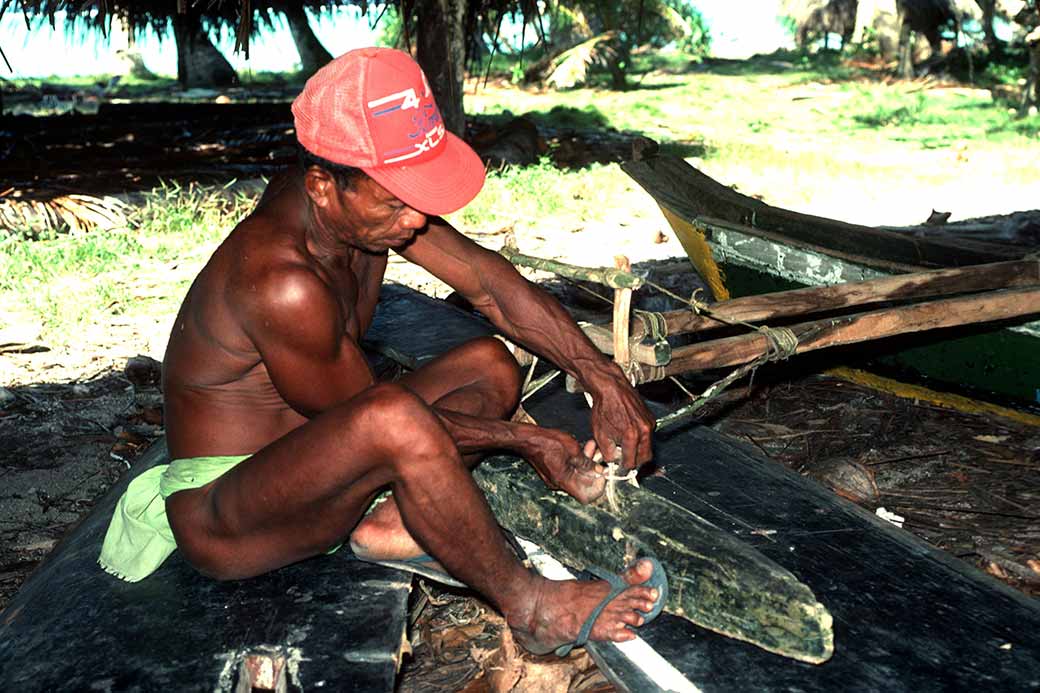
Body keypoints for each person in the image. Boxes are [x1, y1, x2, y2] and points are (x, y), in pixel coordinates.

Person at [99, 47, 660, 656]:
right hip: (232, 510)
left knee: (488, 361)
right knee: (393, 418)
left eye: (415, 193)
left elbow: (490, 285)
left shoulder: (351, 210)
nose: (416, 218)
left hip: (325, 463)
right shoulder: (282, 280)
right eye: (395, 200)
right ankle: (530, 607)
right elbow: (375, 417)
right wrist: (531, 442)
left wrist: (602, 377)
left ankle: (389, 519)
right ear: (322, 186)